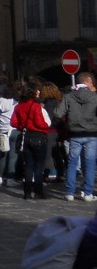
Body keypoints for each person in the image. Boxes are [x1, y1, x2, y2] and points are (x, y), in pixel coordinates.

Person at [57, 72, 97, 202]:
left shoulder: (69, 96)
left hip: (74, 134)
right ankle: (88, 193)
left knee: (72, 163)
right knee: (90, 164)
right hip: (92, 133)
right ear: (87, 82)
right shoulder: (95, 96)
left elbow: (58, 113)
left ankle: (69, 192)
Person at [12, 83, 53, 201]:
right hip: (38, 135)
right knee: (39, 166)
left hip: (26, 136)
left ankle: (27, 192)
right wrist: (46, 126)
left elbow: (13, 123)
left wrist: (22, 125)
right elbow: (40, 122)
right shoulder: (35, 106)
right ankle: (38, 191)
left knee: (28, 166)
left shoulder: (18, 106)